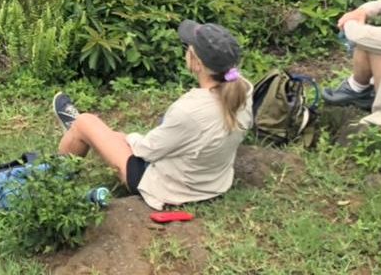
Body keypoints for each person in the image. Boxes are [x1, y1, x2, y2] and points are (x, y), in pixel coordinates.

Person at [52, 20, 251, 211]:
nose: (186, 50)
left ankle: (52, 181)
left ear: (197, 63)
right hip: (212, 180)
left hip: (171, 188)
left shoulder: (189, 110)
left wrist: (125, 138)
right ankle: (81, 135)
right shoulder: (244, 89)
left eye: (188, 47)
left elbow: (146, 151)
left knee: (85, 122)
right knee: (154, 126)